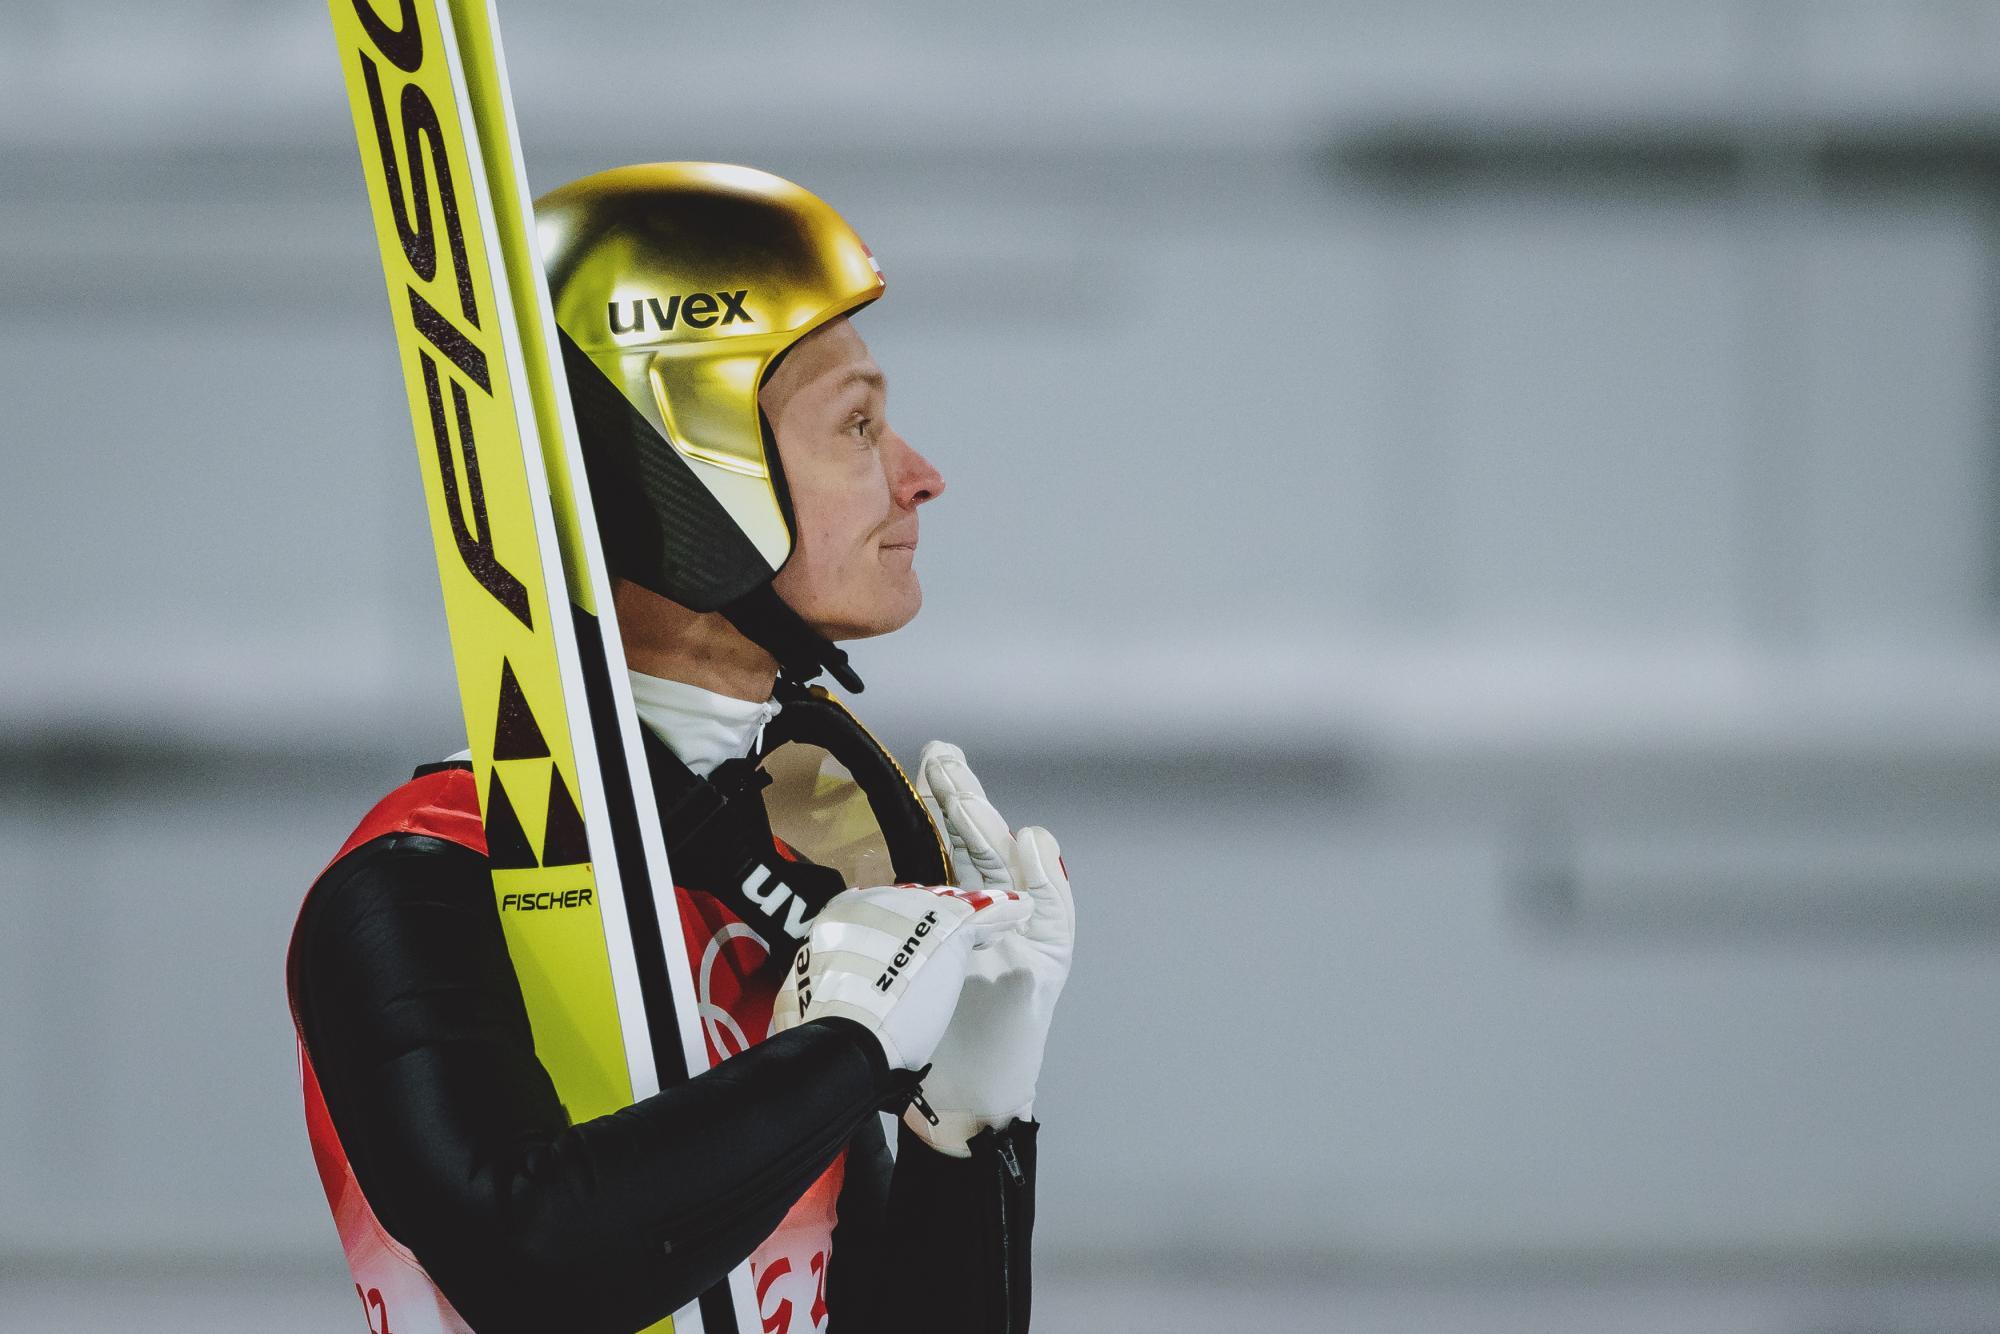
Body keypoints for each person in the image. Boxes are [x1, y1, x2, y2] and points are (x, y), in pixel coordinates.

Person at [286, 163, 1075, 1334]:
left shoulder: (770, 878)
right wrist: (845, 1052)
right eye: (857, 425)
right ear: (692, 467)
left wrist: (966, 1118)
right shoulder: (414, 878)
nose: (919, 476)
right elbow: (526, 1264)